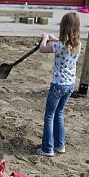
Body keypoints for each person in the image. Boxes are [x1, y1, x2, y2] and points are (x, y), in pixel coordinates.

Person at [36, 12, 81, 158]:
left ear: (63, 27)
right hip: (69, 86)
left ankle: (47, 149)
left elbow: (42, 49)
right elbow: (63, 43)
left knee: (49, 116)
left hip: (57, 86)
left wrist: (44, 38)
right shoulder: (77, 44)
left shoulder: (59, 45)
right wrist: (52, 38)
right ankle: (60, 145)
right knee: (59, 114)